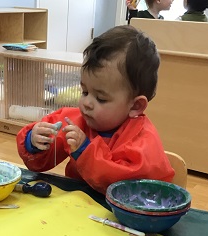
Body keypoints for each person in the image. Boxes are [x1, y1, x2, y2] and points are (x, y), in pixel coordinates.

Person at [16, 25, 175, 195]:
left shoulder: (143, 141)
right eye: (85, 91)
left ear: (135, 106)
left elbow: (124, 189)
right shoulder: (75, 119)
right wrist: (34, 141)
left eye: (101, 98)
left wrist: (85, 151)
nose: (87, 103)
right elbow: (39, 163)